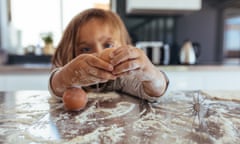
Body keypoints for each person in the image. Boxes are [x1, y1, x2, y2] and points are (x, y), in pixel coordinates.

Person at [48, 8, 169, 102]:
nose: (98, 54)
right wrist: (65, 76)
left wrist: (151, 74)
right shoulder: (73, 79)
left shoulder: (122, 78)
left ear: (123, 46)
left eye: (108, 45)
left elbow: (154, 92)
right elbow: (56, 86)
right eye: (85, 49)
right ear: (72, 53)